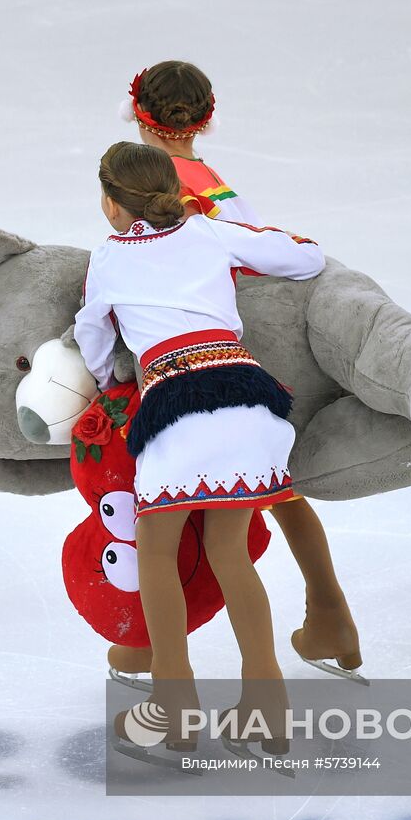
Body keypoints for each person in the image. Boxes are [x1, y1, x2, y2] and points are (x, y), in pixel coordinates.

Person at [110, 60, 364, 684]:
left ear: (138, 115)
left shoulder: (150, 186)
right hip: (252, 356)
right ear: (206, 117)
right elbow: (274, 248)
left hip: (188, 360)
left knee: (157, 504)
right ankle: (330, 613)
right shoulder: (216, 185)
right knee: (276, 489)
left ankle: (152, 646)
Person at [76, 141, 324, 758]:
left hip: (178, 405)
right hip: (246, 395)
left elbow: (92, 334)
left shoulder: (108, 258)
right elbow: (306, 257)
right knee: (229, 552)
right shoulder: (210, 232)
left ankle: (175, 708)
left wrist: (110, 383)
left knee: (157, 552)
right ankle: (267, 708)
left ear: (109, 203)